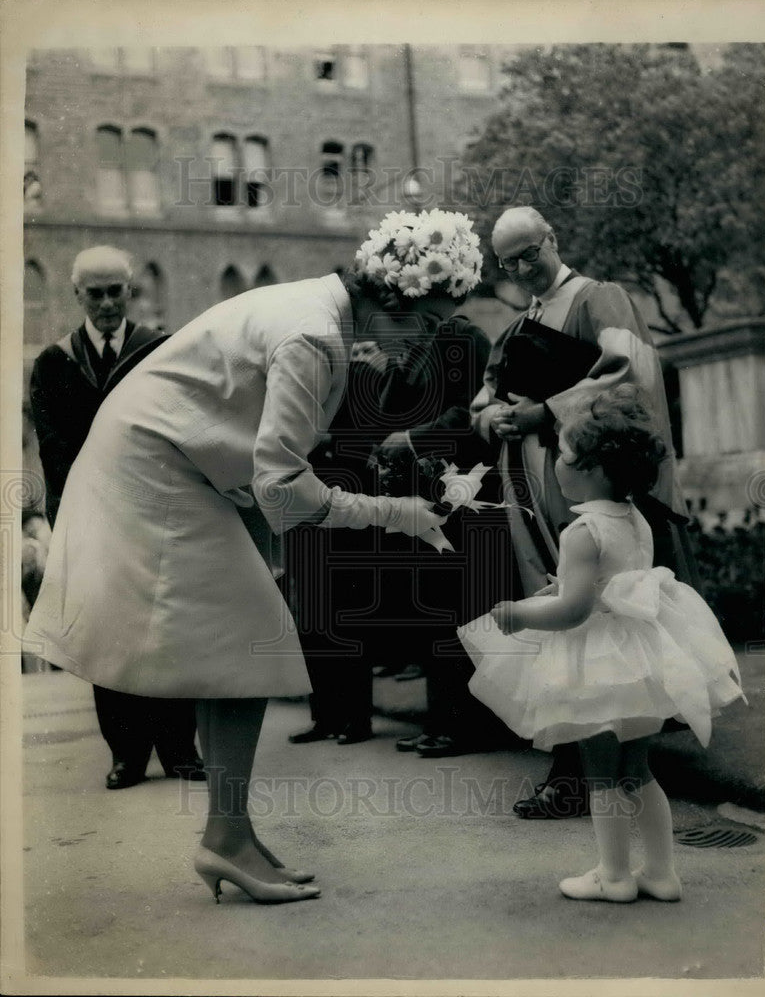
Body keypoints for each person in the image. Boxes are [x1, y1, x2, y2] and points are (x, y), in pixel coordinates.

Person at [25, 209, 483, 905]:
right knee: (249, 642)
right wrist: (396, 514)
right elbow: (280, 487)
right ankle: (226, 838)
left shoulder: (319, 313)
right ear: (393, 299)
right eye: (424, 326)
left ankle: (229, 834)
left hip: (168, 467)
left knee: (236, 647)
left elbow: (266, 461)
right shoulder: (313, 333)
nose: (422, 346)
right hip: (152, 472)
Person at [460, 384, 745, 902]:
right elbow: (615, 584)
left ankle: (614, 875)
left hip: (596, 664)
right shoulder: (635, 517)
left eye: (564, 453)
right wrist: (565, 586)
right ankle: (661, 873)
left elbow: (574, 610)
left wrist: (519, 612)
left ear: (590, 469)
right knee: (639, 771)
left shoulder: (581, 531)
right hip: (641, 657)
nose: (556, 462)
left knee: (602, 776)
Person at [472, 205, 694, 819]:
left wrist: (546, 413)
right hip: (528, 492)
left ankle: (600, 771)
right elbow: (485, 398)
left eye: (529, 253)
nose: (521, 268)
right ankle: (584, 764)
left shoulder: (601, 299)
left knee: (596, 618)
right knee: (559, 616)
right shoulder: (516, 328)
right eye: (508, 261)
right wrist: (493, 416)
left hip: (585, 488)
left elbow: (629, 376)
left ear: (553, 240)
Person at [28, 246, 205, 790]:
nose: (106, 304)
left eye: (115, 291)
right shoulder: (55, 363)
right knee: (110, 635)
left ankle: (179, 749)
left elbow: (181, 429)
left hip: (156, 513)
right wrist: (76, 514)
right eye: (95, 293)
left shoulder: (160, 351)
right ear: (77, 295)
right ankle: (126, 753)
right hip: (95, 520)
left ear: (131, 292)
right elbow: (53, 449)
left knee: (165, 630)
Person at [287, 312, 504, 753]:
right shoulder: (414, 352)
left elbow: (457, 416)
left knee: (447, 610)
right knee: (426, 612)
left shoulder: (460, 337)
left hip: (430, 495)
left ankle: (454, 724)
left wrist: (399, 438)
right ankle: (436, 720)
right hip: (378, 498)